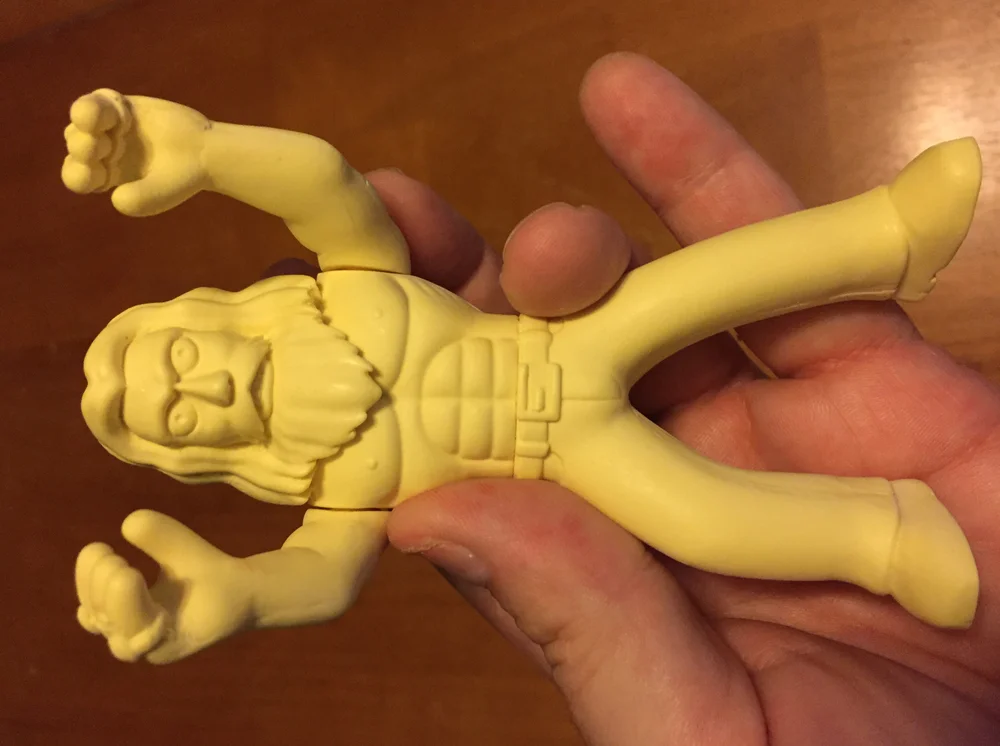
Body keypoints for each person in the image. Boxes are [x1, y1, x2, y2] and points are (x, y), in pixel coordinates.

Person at [68, 53, 1000, 742]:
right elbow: (322, 574)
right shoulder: (336, 486)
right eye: (181, 413)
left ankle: (890, 233)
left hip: (571, 337)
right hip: (574, 463)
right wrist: (238, 594)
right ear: (200, 451)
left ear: (204, 316)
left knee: (708, 278)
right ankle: (888, 538)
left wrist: (205, 151)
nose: (212, 382)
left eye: (180, 358)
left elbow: (323, 183)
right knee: (704, 524)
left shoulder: (348, 287)